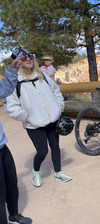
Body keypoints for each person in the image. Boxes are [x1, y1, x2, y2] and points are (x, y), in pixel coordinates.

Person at [5, 48, 72, 187]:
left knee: (55, 147)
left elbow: (56, 91)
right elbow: (11, 107)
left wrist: (59, 105)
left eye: (30, 56)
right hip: (34, 125)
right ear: (18, 62)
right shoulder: (15, 82)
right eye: (24, 58)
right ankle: (36, 172)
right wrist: (27, 117)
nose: (28, 59)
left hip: (52, 120)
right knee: (42, 151)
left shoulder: (41, 75)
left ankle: (58, 173)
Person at [0, 55, 32, 224]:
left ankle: (14, 214)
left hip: (2, 145)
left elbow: (4, 89)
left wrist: (13, 69)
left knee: (12, 183)